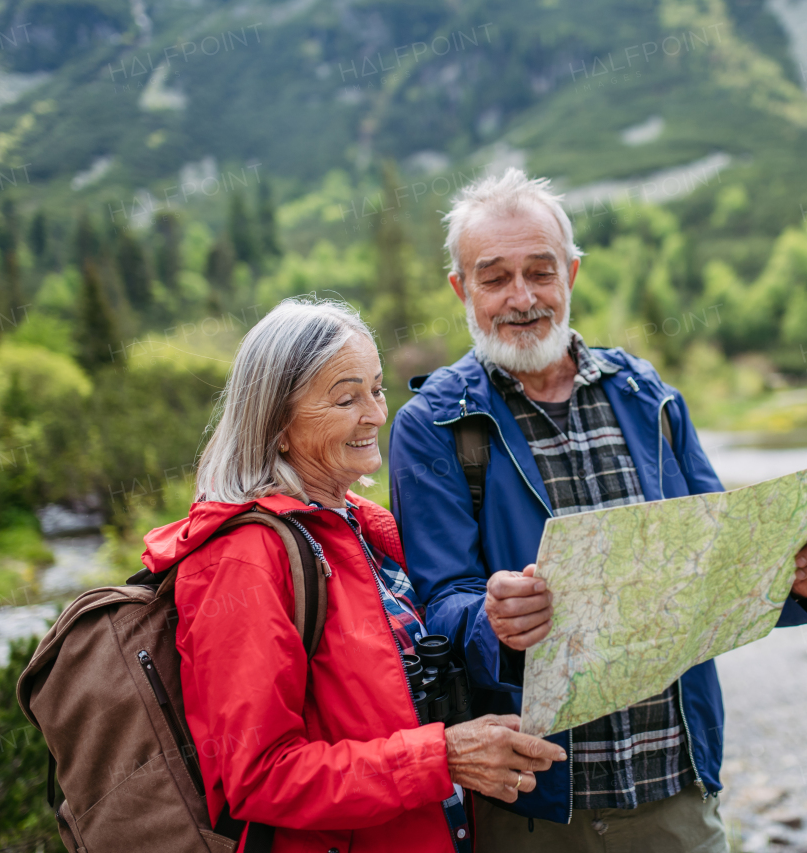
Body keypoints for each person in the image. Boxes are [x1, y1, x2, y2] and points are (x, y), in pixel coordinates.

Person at [389, 169, 807, 852]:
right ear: (462, 288)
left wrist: (803, 578)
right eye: (494, 278)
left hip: (675, 789)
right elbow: (441, 602)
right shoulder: (432, 425)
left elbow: (719, 564)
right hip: (532, 808)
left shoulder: (649, 396)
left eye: (540, 272)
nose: (521, 297)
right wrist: (491, 618)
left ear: (571, 274)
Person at [140, 298, 566, 853]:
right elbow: (259, 776)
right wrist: (444, 757)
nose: (376, 414)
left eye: (377, 388)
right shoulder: (241, 561)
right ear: (278, 424)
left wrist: (498, 624)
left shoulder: (366, 528)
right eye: (346, 398)